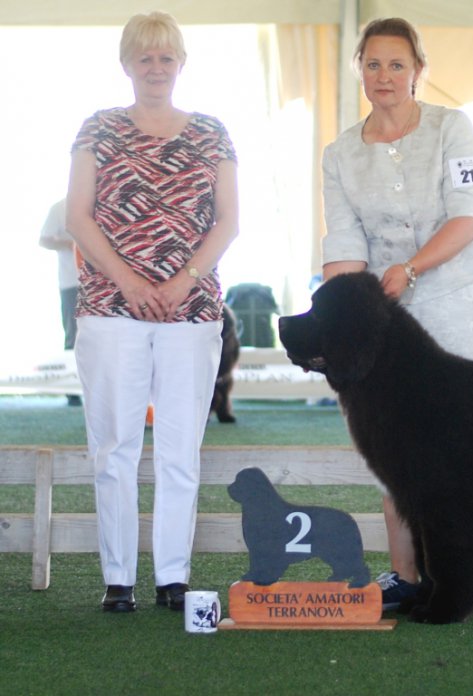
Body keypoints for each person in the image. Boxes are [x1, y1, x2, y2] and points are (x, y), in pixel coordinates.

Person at [320, 17, 473, 610]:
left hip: (464, 307)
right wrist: (335, 316)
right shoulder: (339, 154)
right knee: (395, 448)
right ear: (359, 69)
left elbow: (470, 215)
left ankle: (456, 581)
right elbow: (344, 244)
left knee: (462, 454)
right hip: (388, 325)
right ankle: (405, 577)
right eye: (373, 64)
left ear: (418, 71)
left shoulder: (454, 128)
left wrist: (412, 268)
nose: (384, 76)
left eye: (396, 65)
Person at [66, 11, 239, 613]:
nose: (156, 67)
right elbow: (78, 217)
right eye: (145, 57)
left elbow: (227, 222)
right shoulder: (98, 128)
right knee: (114, 445)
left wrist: (182, 281)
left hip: (191, 313)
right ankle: (118, 578)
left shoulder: (213, 132)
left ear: (181, 63)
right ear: (126, 64)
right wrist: (132, 282)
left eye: (166, 57)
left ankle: (173, 577)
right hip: (110, 309)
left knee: (179, 448)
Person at [39, 198, 82, 406]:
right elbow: (44, 240)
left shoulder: (105, 201)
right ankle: (71, 391)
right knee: (73, 335)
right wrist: (69, 244)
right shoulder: (59, 208)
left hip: (105, 282)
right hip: (71, 282)